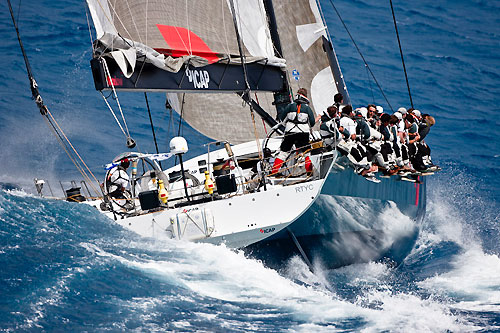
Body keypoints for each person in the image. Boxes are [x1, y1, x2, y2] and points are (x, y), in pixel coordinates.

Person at [272, 88, 316, 174]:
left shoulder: (289, 106)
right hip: (303, 134)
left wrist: (288, 126)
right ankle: (309, 172)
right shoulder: (307, 108)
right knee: (307, 153)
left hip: (290, 132)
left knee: (283, 152)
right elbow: (312, 123)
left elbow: (282, 120)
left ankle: (273, 172)